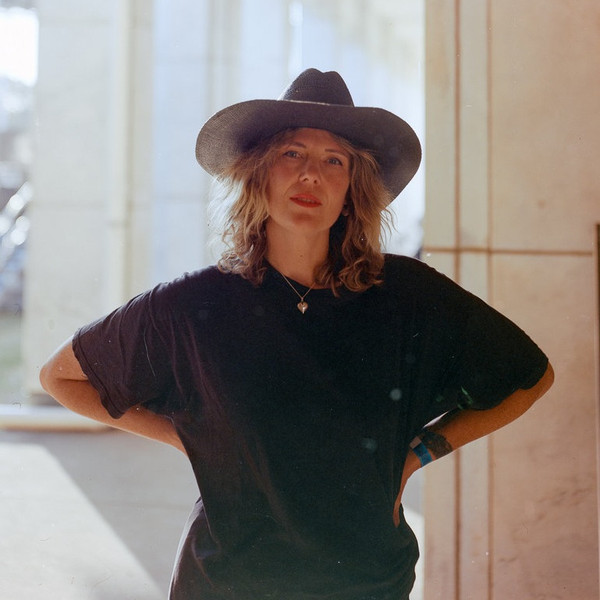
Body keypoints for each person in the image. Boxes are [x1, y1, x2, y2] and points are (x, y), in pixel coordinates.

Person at [40, 68, 554, 600]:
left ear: (350, 191)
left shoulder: (408, 294)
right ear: (258, 175)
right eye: (292, 153)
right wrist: (187, 438)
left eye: (334, 161)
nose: (311, 174)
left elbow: (530, 377)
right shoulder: (194, 303)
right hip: (230, 582)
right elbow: (62, 377)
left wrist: (414, 457)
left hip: (367, 580)